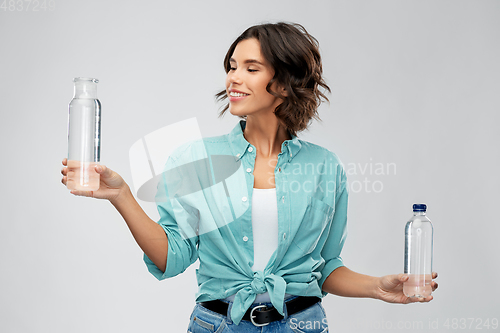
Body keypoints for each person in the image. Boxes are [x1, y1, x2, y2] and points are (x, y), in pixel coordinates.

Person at [61, 22, 438, 332]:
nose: (233, 78)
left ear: (286, 82)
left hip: (302, 325)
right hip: (216, 325)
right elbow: (172, 257)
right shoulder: (196, 159)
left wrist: (377, 287)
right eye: (232, 66)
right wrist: (121, 195)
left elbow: (325, 268)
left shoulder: (324, 167)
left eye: (251, 68)